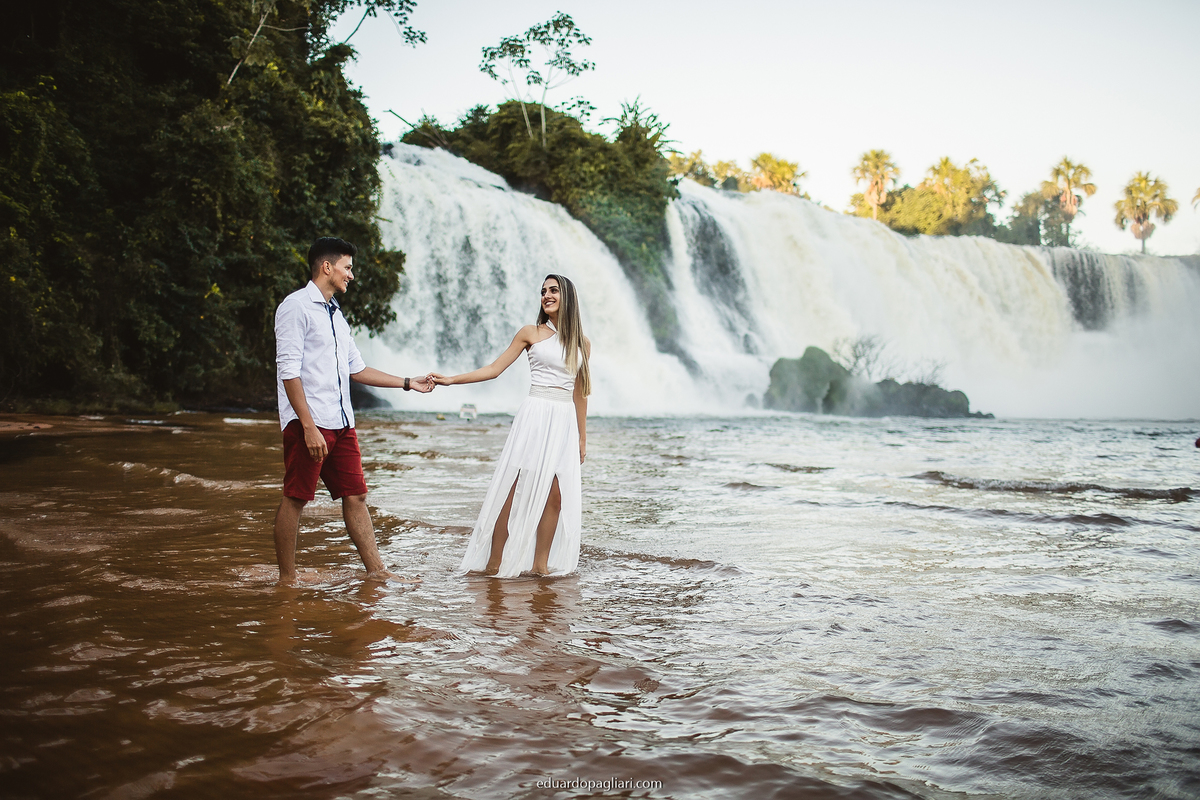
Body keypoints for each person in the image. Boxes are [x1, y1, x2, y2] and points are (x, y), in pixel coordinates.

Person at [273, 237, 433, 584]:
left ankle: (378, 572)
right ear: (327, 267)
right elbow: (289, 370)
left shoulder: (337, 316)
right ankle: (287, 579)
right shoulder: (295, 307)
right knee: (296, 497)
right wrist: (308, 426)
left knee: (356, 495)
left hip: (342, 422)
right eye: (347, 267)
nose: (351, 275)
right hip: (310, 422)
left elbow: (356, 369)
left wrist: (409, 382)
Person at [431, 274, 591, 577]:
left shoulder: (583, 344)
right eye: (543, 291)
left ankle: (539, 566)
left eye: (553, 290)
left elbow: (580, 393)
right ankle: (494, 561)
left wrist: (583, 437)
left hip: (564, 421)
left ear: (568, 296)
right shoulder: (531, 332)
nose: (546, 295)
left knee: (556, 494)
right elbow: (494, 369)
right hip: (534, 415)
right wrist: (451, 380)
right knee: (511, 488)